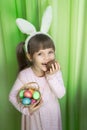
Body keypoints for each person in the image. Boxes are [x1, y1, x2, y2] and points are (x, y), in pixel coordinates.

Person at [9, 6, 66, 130]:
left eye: (50, 52)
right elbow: (12, 96)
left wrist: (51, 76)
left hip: (52, 117)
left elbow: (61, 94)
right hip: (33, 119)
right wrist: (26, 110)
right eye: (40, 54)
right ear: (30, 57)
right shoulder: (24, 75)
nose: (47, 57)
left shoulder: (55, 72)